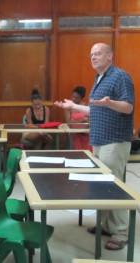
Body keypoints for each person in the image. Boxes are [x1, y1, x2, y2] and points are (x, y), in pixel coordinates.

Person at [54, 43, 134, 250]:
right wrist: (72, 106)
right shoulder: (99, 79)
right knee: (103, 184)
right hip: (99, 140)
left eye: (98, 53)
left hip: (114, 140)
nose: (93, 57)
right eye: (91, 55)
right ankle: (107, 225)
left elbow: (128, 106)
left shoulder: (120, 76)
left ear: (110, 56)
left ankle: (121, 232)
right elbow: (95, 109)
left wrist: (111, 103)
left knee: (113, 185)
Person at [64, 86, 91, 150]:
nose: (73, 99)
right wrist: (81, 120)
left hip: (86, 133)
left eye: (76, 98)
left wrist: (85, 122)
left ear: (81, 98)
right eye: (73, 96)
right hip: (74, 134)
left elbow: (89, 121)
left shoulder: (86, 106)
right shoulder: (68, 107)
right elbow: (68, 123)